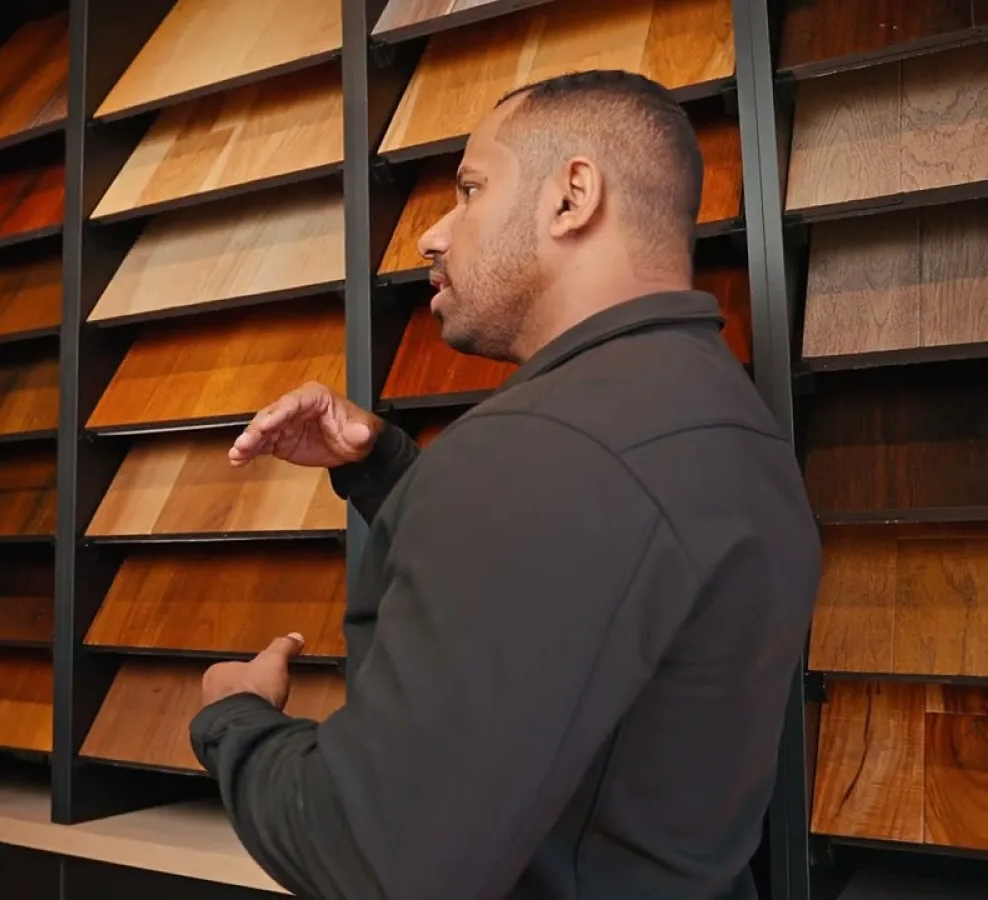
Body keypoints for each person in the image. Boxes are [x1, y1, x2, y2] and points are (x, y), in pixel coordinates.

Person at [187, 70, 822, 899]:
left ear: (573, 197)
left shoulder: (545, 448)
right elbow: (595, 592)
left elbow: (375, 858)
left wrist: (233, 716)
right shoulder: (721, 417)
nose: (433, 236)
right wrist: (382, 466)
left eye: (470, 189)